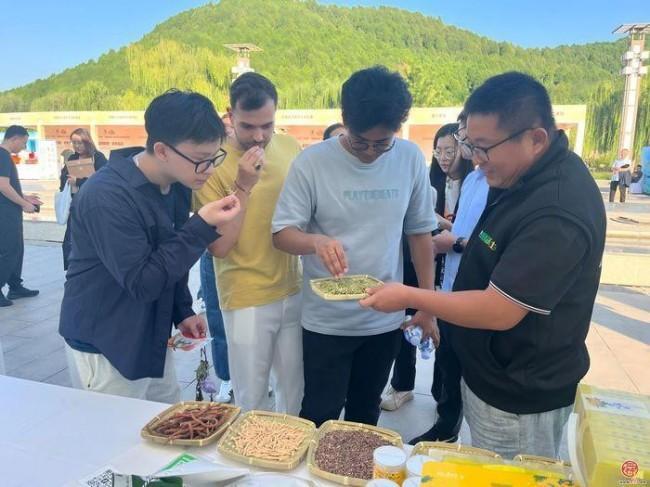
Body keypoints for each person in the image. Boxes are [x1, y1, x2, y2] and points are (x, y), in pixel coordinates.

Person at [361, 72, 606, 459]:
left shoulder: (557, 210)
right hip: (489, 372)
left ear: (535, 139)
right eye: (471, 146)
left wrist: (411, 296)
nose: (475, 160)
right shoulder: (520, 175)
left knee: (510, 477)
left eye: (485, 148)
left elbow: (499, 310)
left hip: (518, 394)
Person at [272, 66, 437, 427]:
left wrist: (427, 304)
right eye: (361, 142)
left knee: (365, 414)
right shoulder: (312, 162)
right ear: (345, 119)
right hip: (326, 321)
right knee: (319, 413)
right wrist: (315, 241)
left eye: (382, 143)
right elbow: (281, 234)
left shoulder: (409, 158)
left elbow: (420, 235)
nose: (371, 152)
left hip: (384, 320)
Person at [59, 90, 241, 401]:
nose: (210, 169)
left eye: (214, 157)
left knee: (164, 423)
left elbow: (167, 253)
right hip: (106, 342)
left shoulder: (176, 183)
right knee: (118, 430)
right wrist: (200, 227)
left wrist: (182, 310)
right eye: (201, 160)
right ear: (162, 150)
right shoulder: (107, 196)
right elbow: (142, 281)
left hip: (150, 335)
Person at [193, 73, 303, 414]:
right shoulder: (211, 163)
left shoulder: (289, 146)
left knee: (295, 393)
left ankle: (289, 449)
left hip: (292, 287)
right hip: (244, 295)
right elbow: (219, 248)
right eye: (248, 126)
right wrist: (243, 185)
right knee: (250, 400)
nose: (259, 136)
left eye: (267, 126)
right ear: (230, 115)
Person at [408, 115, 490, 445]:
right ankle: (446, 425)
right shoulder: (473, 181)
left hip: (476, 292)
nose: (466, 148)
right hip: (451, 286)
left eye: (464, 142)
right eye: (464, 140)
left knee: (462, 365)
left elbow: (491, 242)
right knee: (446, 359)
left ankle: (449, 427)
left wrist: (454, 243)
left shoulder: (497, 182)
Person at [0, 125, 42, 307]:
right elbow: (3, 186)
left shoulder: (4, 156)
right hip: (5, 213)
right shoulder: (2, 155)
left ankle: (15, 286)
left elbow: (8, 186)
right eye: (24, 143)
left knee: (16, 249)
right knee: (9, 250)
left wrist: (25, 197)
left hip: (10, 211)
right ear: (14, 138)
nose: (24, 147)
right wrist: (24, 204)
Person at [59, 128, 108, 270]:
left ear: (87, 142)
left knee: (93, 238)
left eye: (80, 143)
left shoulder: (98, 158)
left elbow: (104, 180)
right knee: (70, 240)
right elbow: (62, 181)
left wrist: (79, 181)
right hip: (75, 204)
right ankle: (72, 270)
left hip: (94, 205)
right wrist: (67, 179)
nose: (77, 146)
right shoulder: (72, 158)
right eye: (74, 143)